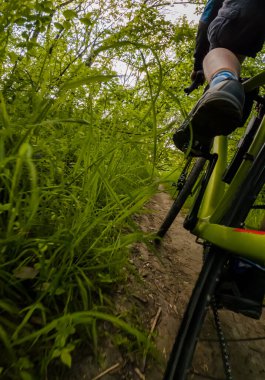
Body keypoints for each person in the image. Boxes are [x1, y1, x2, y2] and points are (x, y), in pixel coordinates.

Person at [173, 0, 265, 154]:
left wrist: (198, 64)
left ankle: (224, 82)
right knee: (236, 51)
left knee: (220, 46)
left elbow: (206, 18)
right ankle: (229, 87)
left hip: (242, 14)